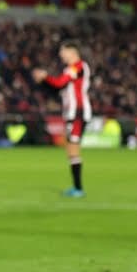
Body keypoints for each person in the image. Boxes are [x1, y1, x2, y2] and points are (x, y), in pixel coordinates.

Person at [32, 42, 92, 198]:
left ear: (72, 52)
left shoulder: (78, 66)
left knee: (73, 149)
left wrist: (45, 77)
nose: (61, 55)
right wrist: (43, 81)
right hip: (72, 113)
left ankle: (78, 188)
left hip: (77, 112)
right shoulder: (70, 69)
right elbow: (57, 88)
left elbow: (60, 82)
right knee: (71, 150)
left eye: (63, 52)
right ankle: (77, 187)